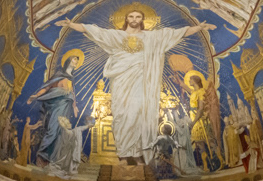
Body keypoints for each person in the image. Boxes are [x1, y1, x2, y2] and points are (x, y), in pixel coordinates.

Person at [57, 11, 214, 164]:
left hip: (142, 82)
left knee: (139, 114)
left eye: (138, 16)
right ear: (126, 18)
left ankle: (138, 153)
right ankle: (124, 153)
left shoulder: (152, 37)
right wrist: (71, 24)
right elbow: (93, 30)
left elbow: (177, 33)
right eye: (131, 16)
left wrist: (198, 28)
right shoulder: (116, 36)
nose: (134, 19)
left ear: (142, 19)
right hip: (121, 82)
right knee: (122, 115)